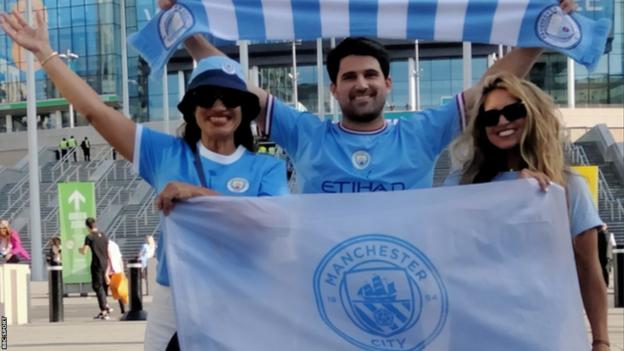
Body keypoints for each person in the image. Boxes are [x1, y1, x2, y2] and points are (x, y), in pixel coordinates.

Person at [0, 10, 288, 349]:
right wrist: (44, 54)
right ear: (192, 108)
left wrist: (194, 192)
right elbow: (96, 112)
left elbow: (269, 225)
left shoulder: (266, 168)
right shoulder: (164, 153)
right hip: (174, 300)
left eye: (231, 98)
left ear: (244, 109)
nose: (219, 106)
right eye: (206, 98)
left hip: (243, 297)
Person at [157, 0, 577, 195]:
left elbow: (491, 81)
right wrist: (188, 31)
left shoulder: (421, 133)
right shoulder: (306, 134)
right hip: (320, 282)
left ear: (388, 84)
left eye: (371, 75)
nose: (362, 84)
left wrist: (541, 34)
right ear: (334, 89)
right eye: (350, 76)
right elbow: (235, 83)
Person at [444, 72, 610, 351]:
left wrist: (601, 341)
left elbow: (588, 267)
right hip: (473, 332)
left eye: (513, 110)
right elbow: (448, 253)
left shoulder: (567, 187)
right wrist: (512, 202)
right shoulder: (460, 185)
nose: (502, 121)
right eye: (490, 117)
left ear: (533, 114)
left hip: (542, 333)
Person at [79, 217, 112, 320]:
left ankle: (104, 309)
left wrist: (79, 249)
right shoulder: (103, 235)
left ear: (87, 226)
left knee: (98, 287)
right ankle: (104, 307)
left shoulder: (89, 237)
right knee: (104, 286)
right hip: (105, 262)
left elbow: (84, 251)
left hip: (96, 264)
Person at [106, 239, 127, 315]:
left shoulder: (106, 245)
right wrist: (122, 271)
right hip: (117, 270)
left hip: (110, 271)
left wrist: (106, 274)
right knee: (119, 290)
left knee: (103, 290)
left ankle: (105, 309)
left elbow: (109, 259)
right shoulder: (115, 245)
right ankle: (123, 309)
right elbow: (120, 259)